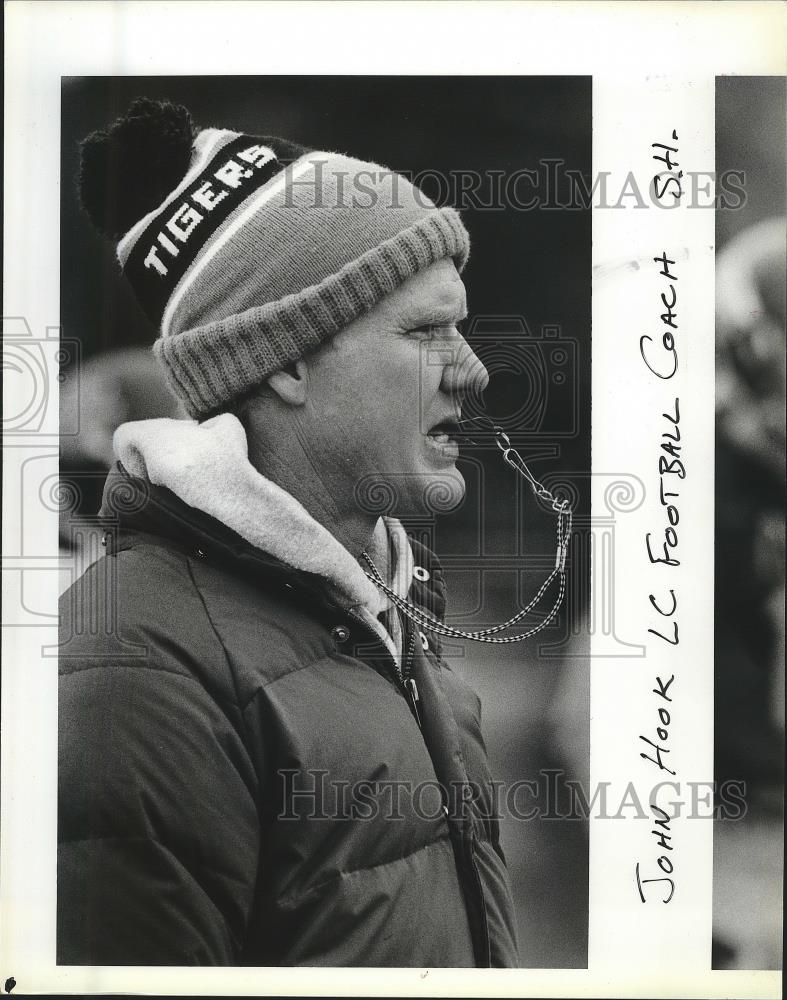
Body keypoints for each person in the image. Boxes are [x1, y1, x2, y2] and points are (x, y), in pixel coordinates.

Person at [58, 99, 520, 967]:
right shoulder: (135, 674)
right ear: (283, 358)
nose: (475, 369)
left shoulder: (385, 613)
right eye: (426, 330)